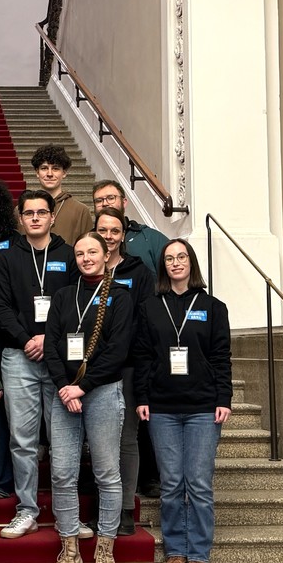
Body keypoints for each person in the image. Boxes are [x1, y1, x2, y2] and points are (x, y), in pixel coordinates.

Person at [135, 238, 232, 563]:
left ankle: (199, 555)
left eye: (182, 257)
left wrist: (225, 398)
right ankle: (176, 551)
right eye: (170, 258)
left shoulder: (213, 307)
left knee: (199, 484)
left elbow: (221, 357)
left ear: (191, 263)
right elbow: (144, 357)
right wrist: (142, 397)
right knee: (172, 483)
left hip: (203, 408)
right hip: (162, 408)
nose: (176, 263)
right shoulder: (150, 306)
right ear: (163, 266)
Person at [41, 233, 133, 563]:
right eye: (79, 253)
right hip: (65, 394)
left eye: (92, 251)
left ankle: (105, 553)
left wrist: (83, 385)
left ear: (106, 252)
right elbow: (51, 345)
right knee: (62, 473)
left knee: (107, 474)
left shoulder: (120, 297)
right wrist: (66, 387)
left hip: (103, 392)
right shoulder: (64, 296)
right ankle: (70, 554)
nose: (85, 257)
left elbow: (118, 350)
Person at [0, 190, 78, 538]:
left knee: (62, 440)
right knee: (23, 440)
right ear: (21, 218)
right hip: (18, 357)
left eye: (43, 212)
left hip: (58, 359)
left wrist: (48, 340)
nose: (36, 218)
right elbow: (1, 307)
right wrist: (29, 338)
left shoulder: (69, 256)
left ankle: (65, 513)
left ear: (53, 217)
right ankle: (27, 509)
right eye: (29, 213)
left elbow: (75, 304)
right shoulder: (7, 257)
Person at [95, 206, 156, 533]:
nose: (108, 237)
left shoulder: (138, 272)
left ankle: (125, 510)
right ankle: (103, 506)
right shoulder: (86, 267)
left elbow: (146, 319)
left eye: (114, 231)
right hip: (93, 367)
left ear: (123, 236)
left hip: (130, 365)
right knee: (99, 439)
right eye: (103, 230)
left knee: (127, 438)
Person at [91, 179, 167, 274]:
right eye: (99, 200)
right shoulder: (88, 241)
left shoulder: (151, 238)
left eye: (111, 198)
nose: (105, 203)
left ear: (124, 202)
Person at [30, 144, 93, 245]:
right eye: (44, 168)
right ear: (37, 172)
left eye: (55, 168)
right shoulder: (23, 209)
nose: (49, 174)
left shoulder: (81, 211)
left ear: (64, 172)